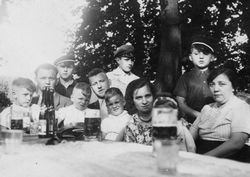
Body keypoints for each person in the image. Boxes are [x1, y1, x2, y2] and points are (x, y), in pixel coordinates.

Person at [190, 67, 250, 162]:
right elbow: (190, 136)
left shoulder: (241, 107)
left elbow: (237, 142)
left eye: (222, 84)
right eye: (212, 85)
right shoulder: (207, 108)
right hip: (200, 156)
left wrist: (203, 158)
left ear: (233, 87)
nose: (216, 89)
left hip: (228, 160)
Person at [173, 35, 215, 123]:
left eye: (205, 53)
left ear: (212, 58)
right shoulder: (186, 77)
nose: (201, 57)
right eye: (196, 53)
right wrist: (198, 115)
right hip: (192, 122)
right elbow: (180, 103)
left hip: (214, 121)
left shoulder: (216, 77)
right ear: (190, 57)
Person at [124, 78, 155, 145]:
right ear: (132, 100)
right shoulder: (131, 126)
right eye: (139, 98)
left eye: (148, 96)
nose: (144, 101)